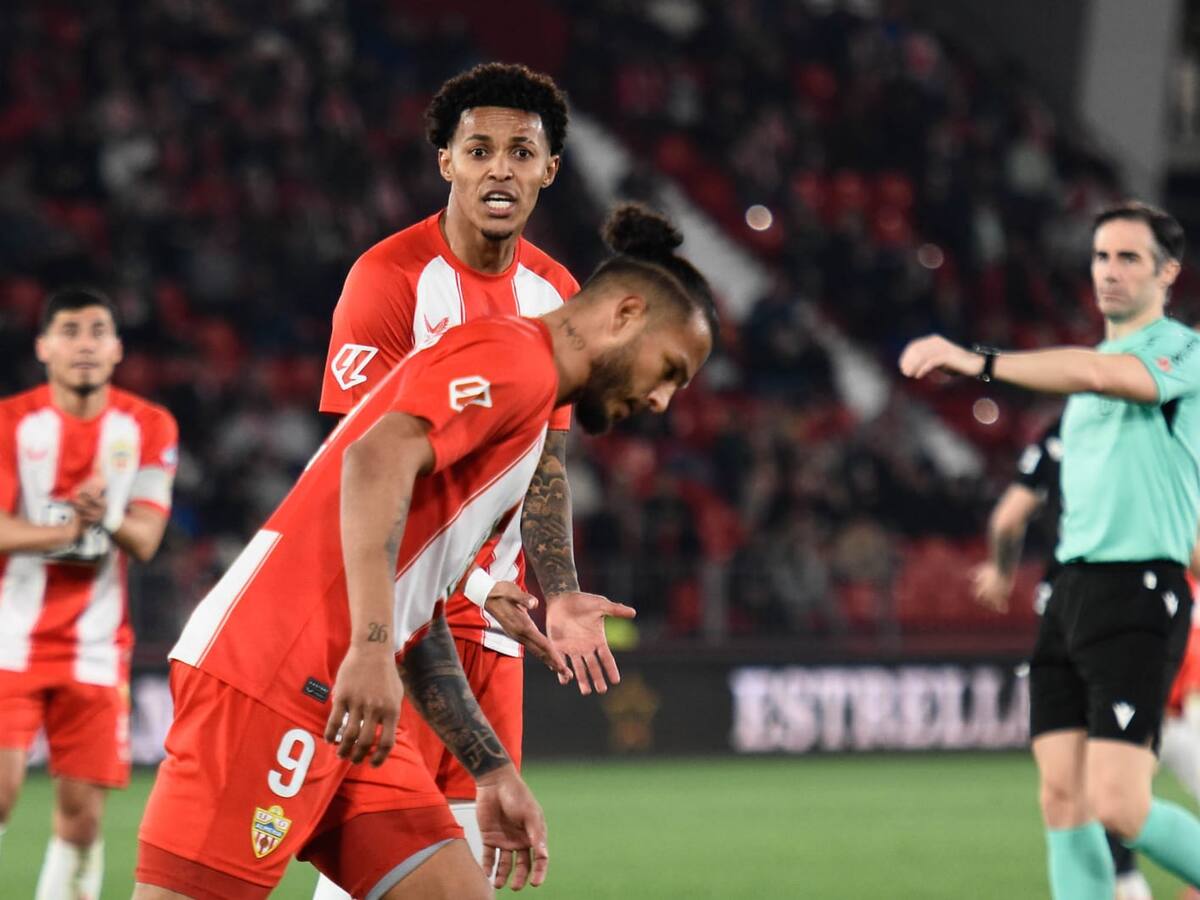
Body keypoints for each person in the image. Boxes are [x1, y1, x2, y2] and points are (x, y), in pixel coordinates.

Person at [134, 206, 718, 900]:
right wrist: (371, 647)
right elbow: (374, 458)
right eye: (670, 370)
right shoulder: (517, 359)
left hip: (350, 698)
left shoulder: (529, 408)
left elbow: (420, 608)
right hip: (273, 678)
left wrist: (490, 768)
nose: (661, 400)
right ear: (625, 314)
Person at [315, 63, 634, 892]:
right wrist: (459, 590)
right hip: (394, 622)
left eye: (521, 152)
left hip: (492, 632)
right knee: (372, 867)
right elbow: (355, 473)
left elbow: (545, 464)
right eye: (479, 149)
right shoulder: (387, 280)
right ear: (446, 162)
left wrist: (560, 590)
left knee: (466, 876)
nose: (500, 168)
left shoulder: (555, 293)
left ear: (549, 170)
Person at [901, 200, 1200, 899]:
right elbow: (1019, 506)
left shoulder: (1182, 351)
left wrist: (975, 361)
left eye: (1129, 258)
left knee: (1121, 805)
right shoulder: (1080, 382)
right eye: (1101, 256)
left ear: (1168, 273)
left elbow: (1102, 374)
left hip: (1139, 588)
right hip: (1070, 593)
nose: (1110, 271)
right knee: (1063, 799)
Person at [0, 287, 177, 900]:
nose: (85, 345)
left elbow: (146, 538)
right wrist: (68, 530)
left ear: (117, 349)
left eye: (98, 331)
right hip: (10, 640)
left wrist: (106, 518)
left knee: (83, 819)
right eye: (70, 331)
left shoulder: (149, 426)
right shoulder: (11, 423)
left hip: (97, 649)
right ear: (43, 347)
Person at [973, 415, 1154, 900]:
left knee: (1066, 789)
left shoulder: (1061, 431)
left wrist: (1000, 573)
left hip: (1062, 611)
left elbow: (1007, 518)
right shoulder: (1149, 422)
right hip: (1135, 608)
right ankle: (1125, 877)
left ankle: (1122, 877)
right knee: (1118, 779)